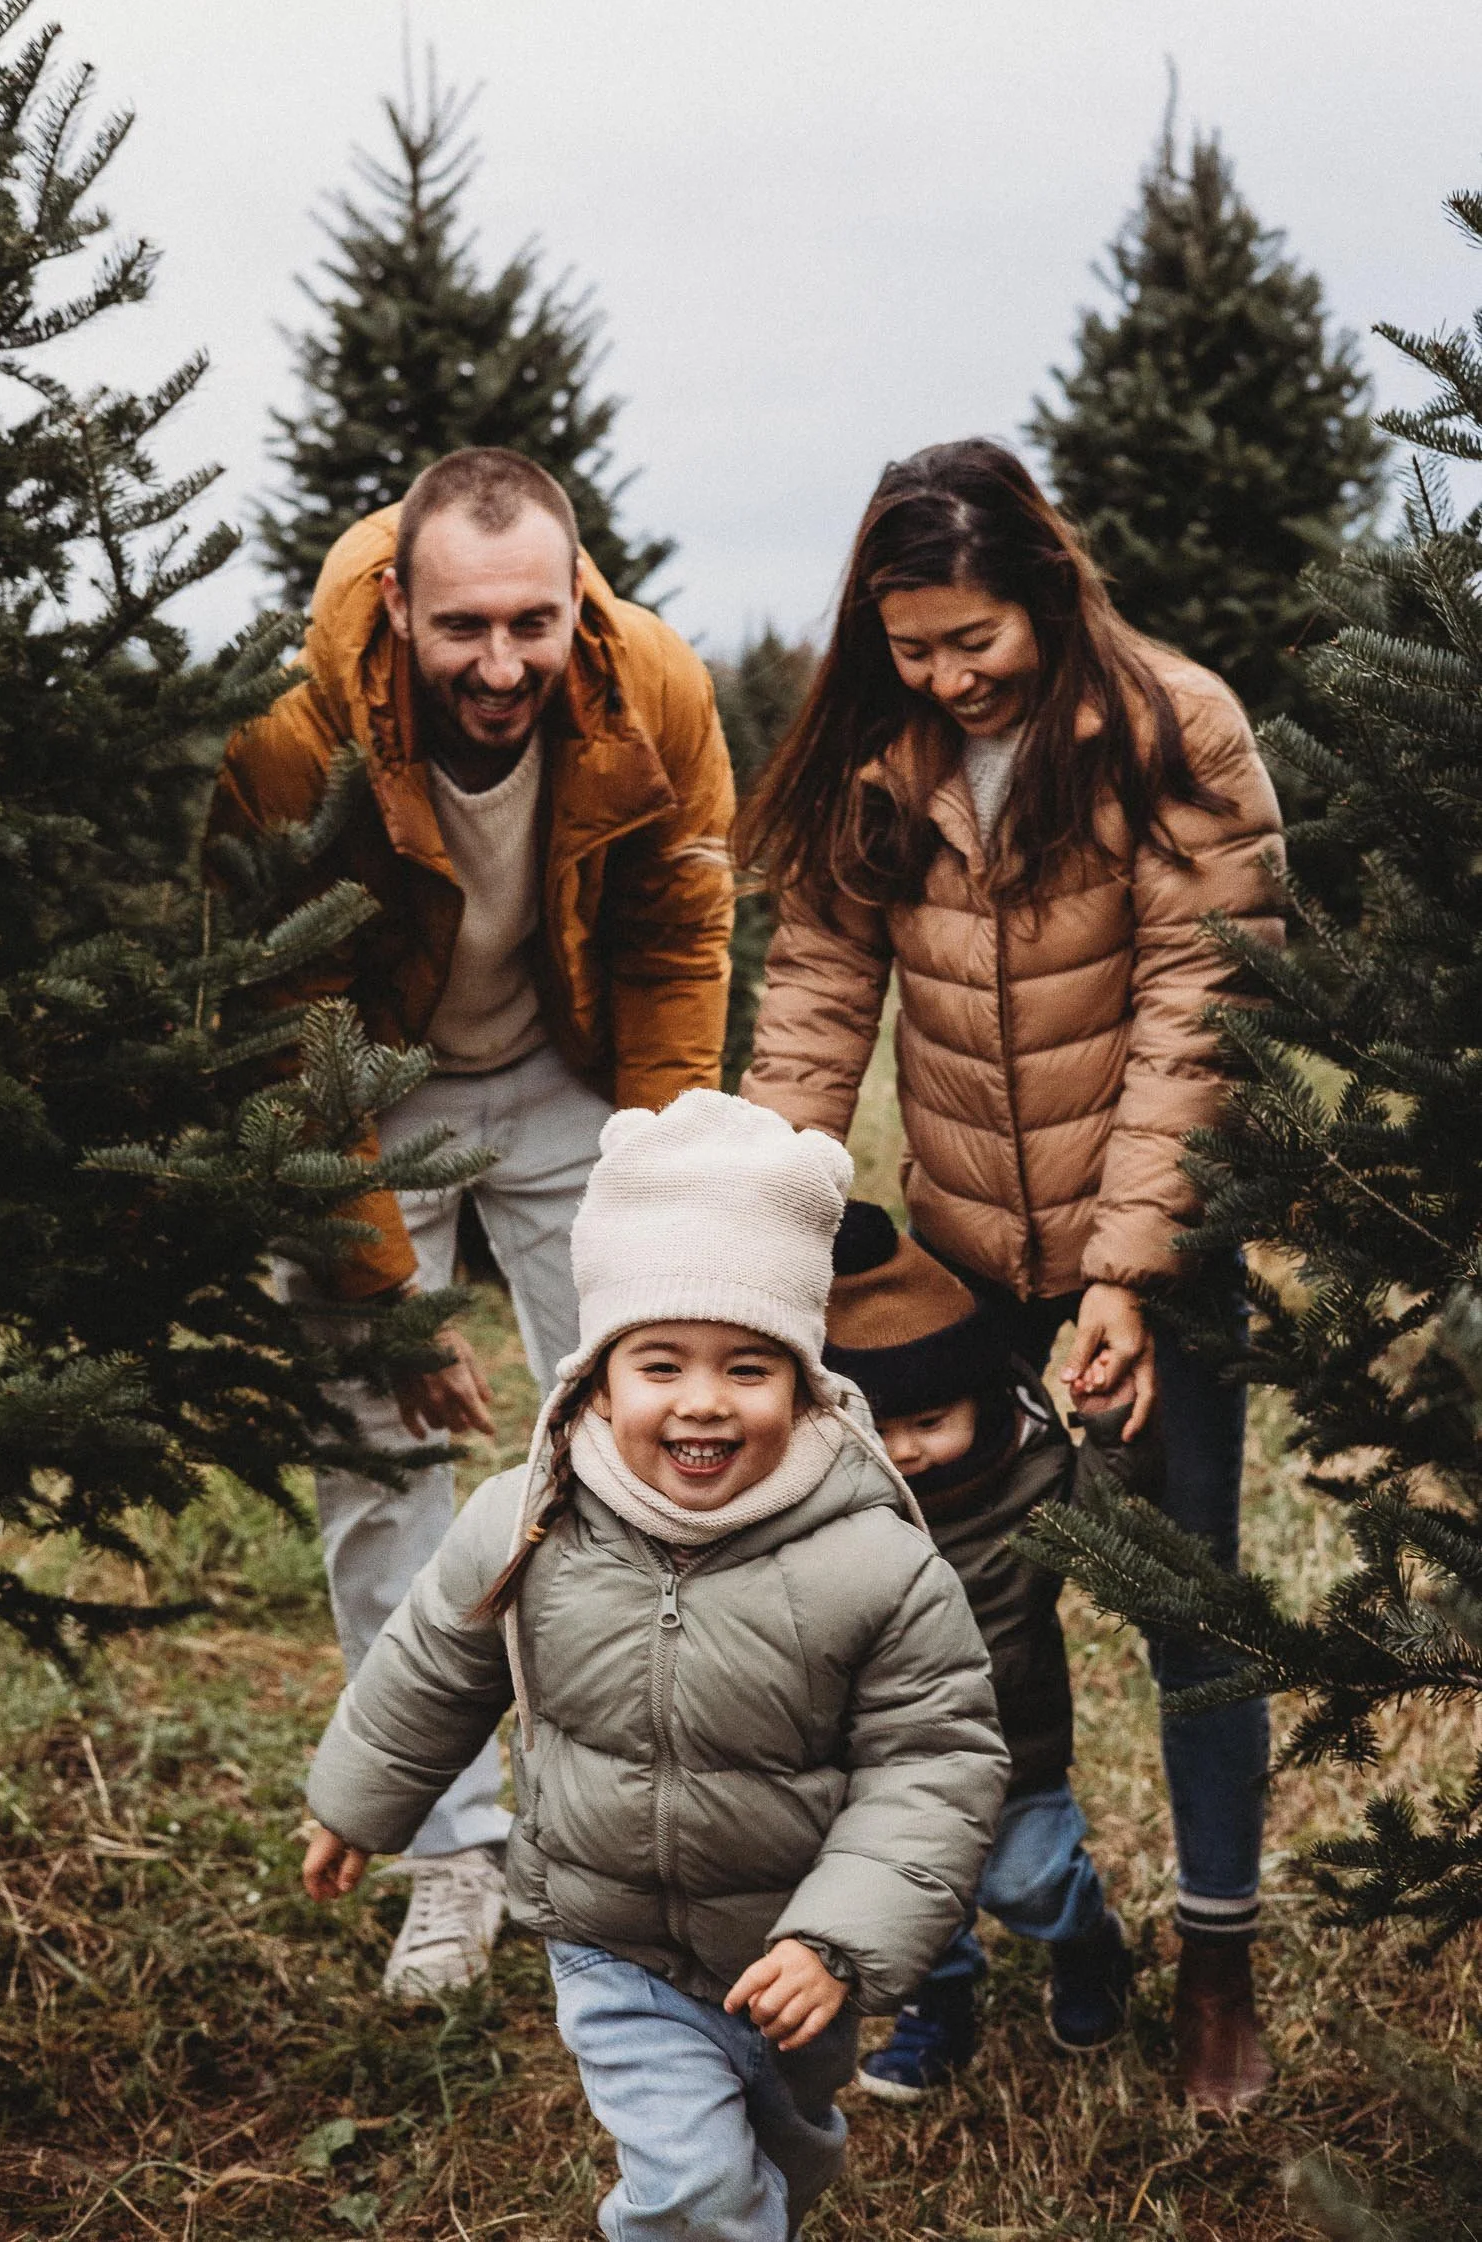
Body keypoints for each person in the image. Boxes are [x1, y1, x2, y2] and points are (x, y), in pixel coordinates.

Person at [738, 437, 1285, 2116]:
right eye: (914, 646)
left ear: (1044, 587)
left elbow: (1206, 1003)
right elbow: (822, 998)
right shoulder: (873, 757)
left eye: (975, 638)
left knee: (1189, 1606)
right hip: (960, 1262)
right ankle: (971, 1941)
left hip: (1161, 1254)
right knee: (945, 1623)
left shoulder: (1170, 726)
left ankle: (1216, 1962)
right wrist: (760, 1231)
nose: (950, 674)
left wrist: (1127, 1273)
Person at [301, 1090, 1008, 2242]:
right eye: (661, 1364)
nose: (701, 1402)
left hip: (790, 1949)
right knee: (691, 2188)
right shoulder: (528, 1522)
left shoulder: (874, 1557)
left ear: (806, 1380)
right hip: (608, 1935)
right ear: (596, 1376)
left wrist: (834, 1937)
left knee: (785, 2150)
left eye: (748, 1369)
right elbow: (433, 1665)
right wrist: (357, 1801)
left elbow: (935, 1765)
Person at [209, 448, 735, 1997]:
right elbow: (293, 1021)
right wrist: (389, 1300)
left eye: (533, 622)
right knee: (380, 1458)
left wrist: (659, 1184)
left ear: (576, 597)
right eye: (463, 631)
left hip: (574, 1075)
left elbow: (679, 941)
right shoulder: (291, 740)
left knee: (652, 1423)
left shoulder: (656, 692)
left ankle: (647, 1824)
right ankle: (452, 1850)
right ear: (399, 604)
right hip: (380, 1088)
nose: (501, 665)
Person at [823, 1200, 1145, 2101]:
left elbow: (1109, 1525)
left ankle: (1087, 1944)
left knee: (1029, 1881)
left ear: (981, 1396)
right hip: (874, 1761)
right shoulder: (827, 1505)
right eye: (877, 1430)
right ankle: (939, 2000)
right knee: (906, 1904)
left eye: (929, 1420)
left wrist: (1112, 1432)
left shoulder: (1033, 1475)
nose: (905, 1452)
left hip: (1016, 1748)